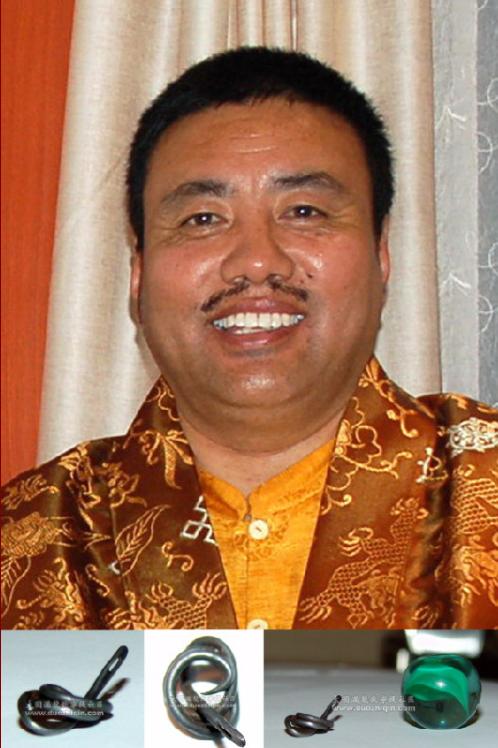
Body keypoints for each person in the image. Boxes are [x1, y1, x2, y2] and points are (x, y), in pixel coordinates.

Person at [2, 47, 497, 631]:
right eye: (203, 219)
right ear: (138, 272)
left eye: (305, 211)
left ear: (381, 253)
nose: (257, 261)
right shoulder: (29, 543)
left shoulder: (483, 490)